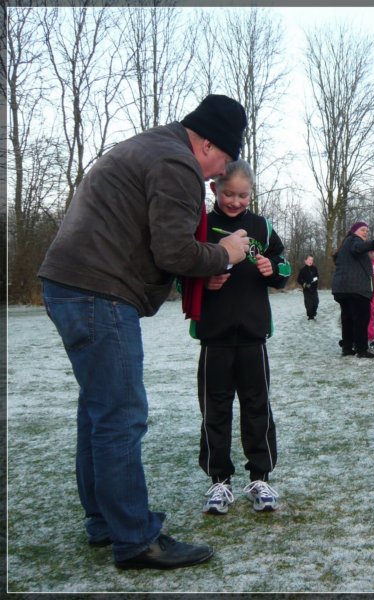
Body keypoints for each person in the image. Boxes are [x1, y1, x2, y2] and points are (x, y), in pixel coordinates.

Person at [38, 94, 250, 569]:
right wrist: (227, 253)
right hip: (99, 290)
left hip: (70, 283)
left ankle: (104, 521)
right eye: (221, 163)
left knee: (97, 412)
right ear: (208, 142)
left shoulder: (149, 145)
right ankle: (135, 539)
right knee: (120, 415)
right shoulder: (177, 163)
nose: (217, 175)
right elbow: (174, 251)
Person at [193, 160, 291, 517]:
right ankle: (219, 481)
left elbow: (285, 268)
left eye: (243, 195)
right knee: (214, 411)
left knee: (257, 408)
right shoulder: (200, 224)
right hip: (213, 336)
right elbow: (180, 276)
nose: (236, 202)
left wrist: (270, 269)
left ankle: (260, 478)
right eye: (229, 194)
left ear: (252, 194)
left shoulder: (261, 226)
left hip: (253, 336)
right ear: (214, 189)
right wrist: (202, 282)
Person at [331, 221, 374, 358]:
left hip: (342, 289)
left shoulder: (346, 244)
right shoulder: (354, 240)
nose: (365, 232)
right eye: (362, 230)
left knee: (347, 319)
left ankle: (347, 348)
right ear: (354, 231)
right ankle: (361, 349)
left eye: (367, 230)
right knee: (361, 318)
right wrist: (373, 244)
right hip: (355, 289)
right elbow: (358, 248)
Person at [297, 255, 319, 320]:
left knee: (316, 302)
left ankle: (314, 312)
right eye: (309, 260)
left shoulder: (315, 268)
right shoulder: (302, 270)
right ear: (305, 261)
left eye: (312, 260)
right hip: (306, 290)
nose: (310, 261)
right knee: (309, 304)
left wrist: (314, 280)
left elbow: (317, 276)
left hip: (314, 289)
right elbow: (299, 279)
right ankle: (310, 316)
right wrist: (305, 284)